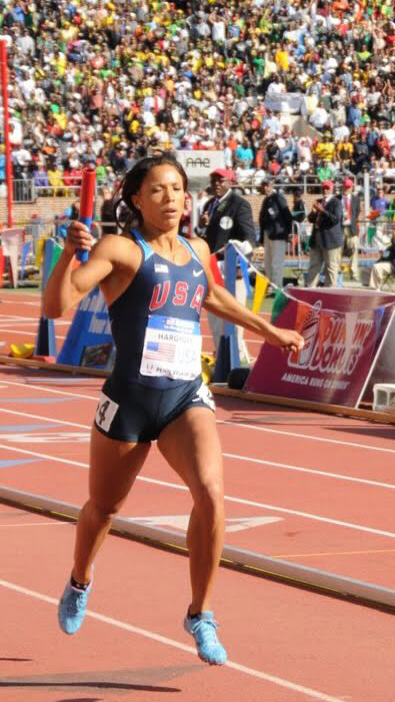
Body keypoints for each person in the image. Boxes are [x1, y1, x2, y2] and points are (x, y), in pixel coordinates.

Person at [43, 153, 304, 664]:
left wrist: (270, 331)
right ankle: (80, 579)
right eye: (157, 190)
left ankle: (200, 613)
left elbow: (215, 297)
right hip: (130, 401)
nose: (170, 198)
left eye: (178, 189)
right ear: (136, 199)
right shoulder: (121, 249)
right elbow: (57, 307)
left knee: (212, 493)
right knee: (104, 510)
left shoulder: (196, 247)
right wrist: (66, 259)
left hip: (186, 394)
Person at [199, 168, 256, 365]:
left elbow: (249, 237)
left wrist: (238, 256)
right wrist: (202, 225)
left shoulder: (239, 204)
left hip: (233, 270)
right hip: (212, 269)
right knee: (215, 316)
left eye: (220, 180)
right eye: (213, 179)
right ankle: (221, 358)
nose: (216, 183)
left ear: (230, 181)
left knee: (234, 316)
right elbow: (207, 237)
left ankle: (238, 362)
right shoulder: (209, 205)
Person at [304, 179, 344, 287]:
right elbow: (311, 219)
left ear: (332, 189)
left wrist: (322, 210)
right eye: (323, 188)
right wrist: (313, 212)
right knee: (314, 266)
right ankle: (310, 290)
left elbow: (335, 219)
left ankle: (330, 292)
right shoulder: (319, 201)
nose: (325, 190)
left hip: (330, 241)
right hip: (317, 239)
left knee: (331, 267)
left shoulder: (336, 202)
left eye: (327, 188)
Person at [258, 176, 293, 291]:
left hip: (278, 234)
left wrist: (288, 232)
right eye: (263, 185)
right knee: (267, 263)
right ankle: (269, 286)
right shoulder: (266, 200)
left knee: (276, 263)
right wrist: (261, 238)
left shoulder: (278, 197)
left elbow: (287, 215)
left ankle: (277, 288)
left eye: (267, 185)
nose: (265, 187)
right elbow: (263, 219)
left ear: (271, 186)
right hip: (268, 234)